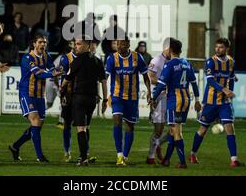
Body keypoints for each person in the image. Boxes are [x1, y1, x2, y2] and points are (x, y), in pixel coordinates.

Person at [189, 37, 244, 168]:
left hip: (224, 102)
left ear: (227, 49)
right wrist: (225, 90)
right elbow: (210, 81)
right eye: (216, 47)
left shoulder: (231, 62)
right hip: (210, 102)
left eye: (221, 47)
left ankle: (234, 160)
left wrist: (229, 92)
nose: (218, 49)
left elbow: (231, 79)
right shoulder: (211, 62)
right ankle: (192, 154)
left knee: (230, 128)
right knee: (203, 130)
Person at [8, 35, 60, 163]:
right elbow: (38, 73)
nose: (43, 44)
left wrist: (57, 71)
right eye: (40, 42)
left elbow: (52, 67)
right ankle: (40, 156)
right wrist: (52, 73)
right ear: (34, 44)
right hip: (27, 94)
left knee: (37, 126)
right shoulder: (27, 58)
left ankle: (15, 146)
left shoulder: (46, 56)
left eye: (45, 42)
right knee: (35, 121)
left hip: (39, 95)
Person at [151, 38, 201, 168]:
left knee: (176, 131)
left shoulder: (170, 65)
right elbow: (194, 84)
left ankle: (183, 162)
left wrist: (153, 98)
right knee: (173, 131)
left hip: (174, 100)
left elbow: (161, 84)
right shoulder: (187, 63)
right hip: (186, 99)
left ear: (171, 50)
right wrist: (197, 100)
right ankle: (166, 159)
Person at [61, 37, 108, 166]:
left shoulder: (77, 61)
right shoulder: (98, 61)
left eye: (79, 44)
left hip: (79, 98)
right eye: (75, 44)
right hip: (93, 99)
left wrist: (62, 90)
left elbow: (67, 78)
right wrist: (105, 99)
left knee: (80, 127)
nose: (76, 46)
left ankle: (83, 158)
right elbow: (103, 81)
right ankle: (85, 154)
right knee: (86, 126)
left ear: (87, 45)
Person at [105, 36, 151, 166]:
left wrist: (149, 91)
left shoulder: (137, 57)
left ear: (128, 44)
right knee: (117, 120)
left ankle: (125, 156)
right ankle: (119, 155)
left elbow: (146, 76)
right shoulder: (111, 58)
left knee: (130, 126)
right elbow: (106, 76)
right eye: (117, 44)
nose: (119, 46)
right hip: (117, 96)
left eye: (122, 44)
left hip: (132, 97)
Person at [146, 37, 172, 164]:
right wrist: (165, 84)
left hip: (171, 97)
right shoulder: (157, 60)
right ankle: (151, 156)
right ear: (166, 48)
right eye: (172, 49)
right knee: (159, 129)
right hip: (159, 97)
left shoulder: (173, 61)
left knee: (174, 129)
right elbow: (151, 77)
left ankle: (158, 144)